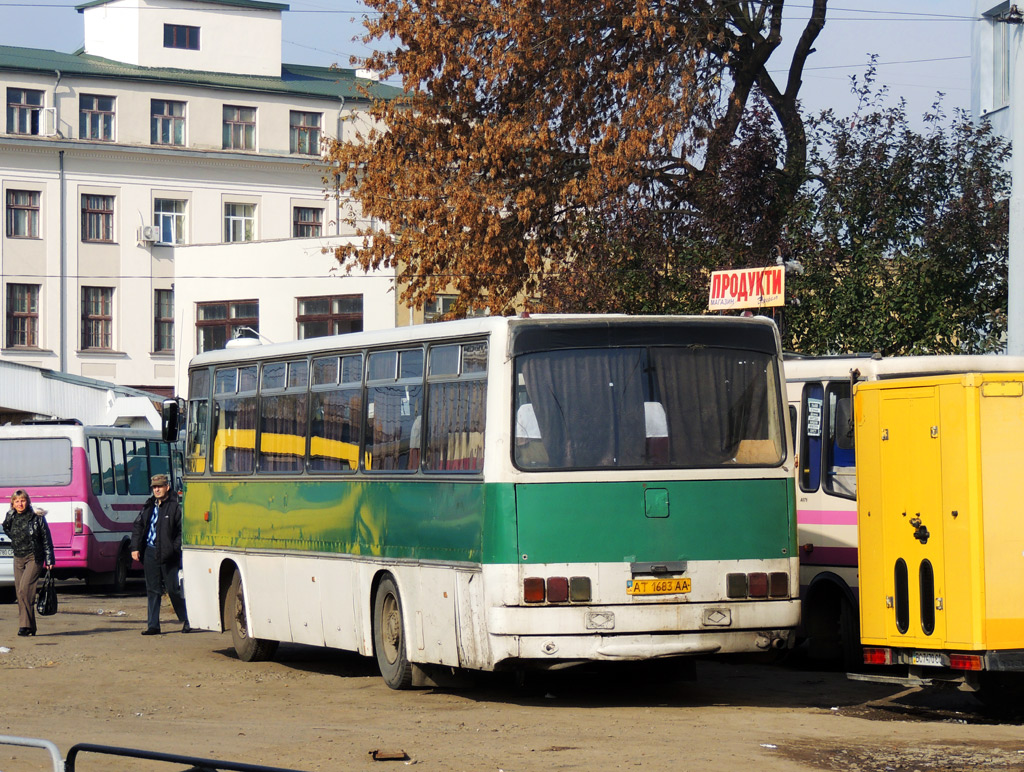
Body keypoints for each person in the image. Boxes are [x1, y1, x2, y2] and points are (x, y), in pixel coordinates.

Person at [131, 473, 189, 635]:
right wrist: (135, 547)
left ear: (167, 487)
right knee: (153, 590)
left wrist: (174, 548)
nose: (157, 490)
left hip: (169, 554)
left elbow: (181, 531)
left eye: (159, 487)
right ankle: (153, 625)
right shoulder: (149, 505)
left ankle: (187, 620)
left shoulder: (175, 505)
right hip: (150, 551)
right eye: (154, 487)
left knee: (173, 589)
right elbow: (138, 526)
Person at [2, 489, 55, 637]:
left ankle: (24, 626)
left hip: (34, 557)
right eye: (17, 501)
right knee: (21, 593)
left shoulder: (36, 518)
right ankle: (30, 626)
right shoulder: (11, 516)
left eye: (23, 500)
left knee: (24, 590)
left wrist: (50, 559)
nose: (20, 504)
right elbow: (6, 528)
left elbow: (46, 538)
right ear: (13, 503)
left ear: (28, 501)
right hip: (18, 557)